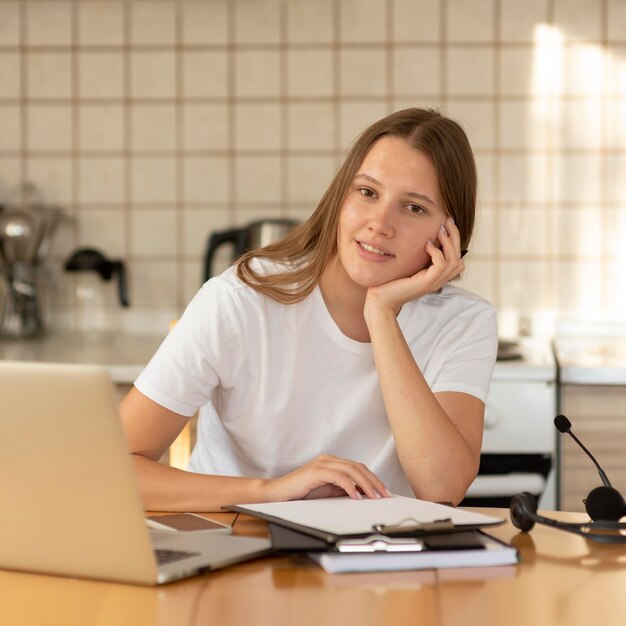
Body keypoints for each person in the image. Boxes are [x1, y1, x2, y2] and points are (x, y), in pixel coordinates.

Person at [120, 107, 498, 512]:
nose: (379, 223)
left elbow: (442, 488)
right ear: (340, 197)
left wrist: (382, 315)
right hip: (238, 539)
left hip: (380, 556)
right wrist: (272, 492)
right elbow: (114, 470)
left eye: (414, 208)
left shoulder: (464, 322)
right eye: (367, 192)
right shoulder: (240, 300)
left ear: (449, 234)